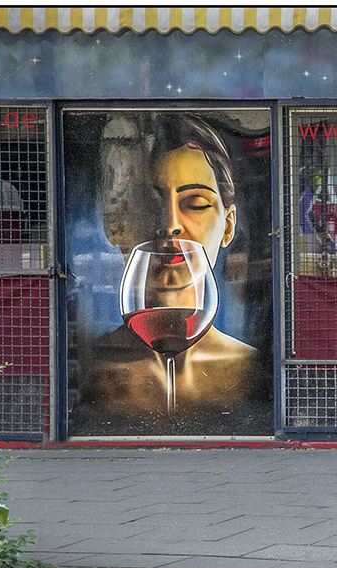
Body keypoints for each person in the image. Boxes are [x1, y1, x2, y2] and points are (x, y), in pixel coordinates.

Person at [78, 114, 263, 433]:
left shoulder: (256, 371)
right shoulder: (93, 370)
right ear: (116, 223)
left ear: (228, 226)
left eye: (195, 203)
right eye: (150, 203)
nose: (169, 224)